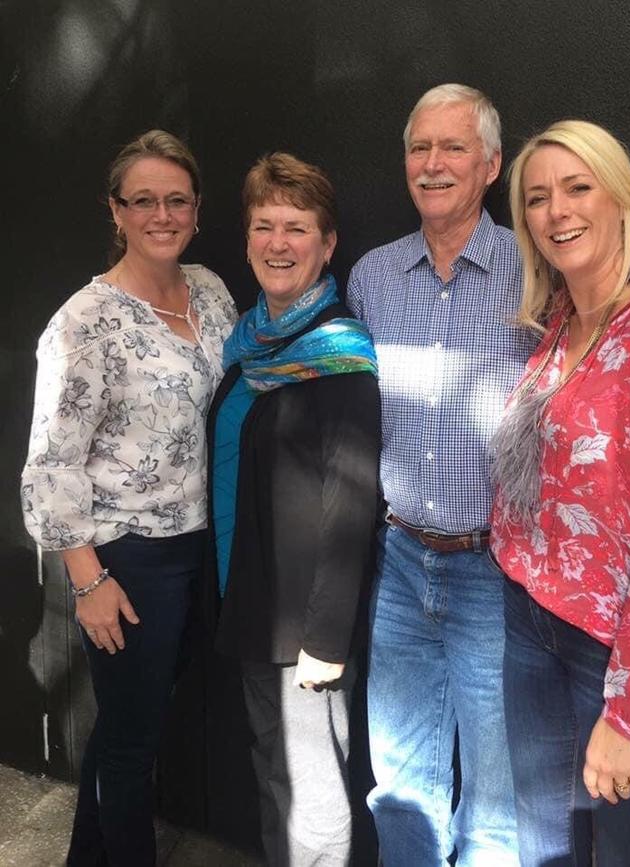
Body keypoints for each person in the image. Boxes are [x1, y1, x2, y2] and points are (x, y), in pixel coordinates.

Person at [21, 129, 237, 866]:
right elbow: (51, 465)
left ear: (198, 210)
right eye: (142, 200)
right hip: (127, 560)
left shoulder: (209, 290)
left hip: (197, 549)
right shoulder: (85, 323)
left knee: (124, 730)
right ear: (115, 211)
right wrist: (89, 581)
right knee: (134, 744)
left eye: (176, 199)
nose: (161, 214)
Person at [347, 83, 536, 866]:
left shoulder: (536, 273)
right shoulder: (373, 277)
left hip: (495, 570)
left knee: (497, 800)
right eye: (419, 148)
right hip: (399, 563)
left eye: (452, 147)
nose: (432, 165)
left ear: (490, 164)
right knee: (400, 790)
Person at [209, 152, 381, 866]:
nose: (278, 243)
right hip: (248, 599)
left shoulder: (338, 354)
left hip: (302, 626)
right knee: (275, 774)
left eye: (297, 227)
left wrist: (325, 637)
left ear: (328, 242)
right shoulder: (249, 341)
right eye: (263, 225)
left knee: (311, 793)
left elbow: (351, 503)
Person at [490, 119, 630, 866]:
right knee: (541, 840)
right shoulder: (559, 321)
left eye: (578, 188)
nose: (557, 211)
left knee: (620, 851)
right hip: (532, 621)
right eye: (538, 198)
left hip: (613, 655)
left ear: (621, 197)